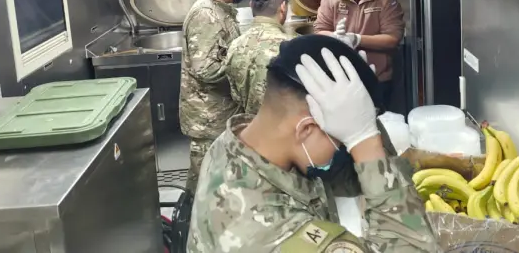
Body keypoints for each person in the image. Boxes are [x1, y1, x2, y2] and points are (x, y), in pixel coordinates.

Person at [187, 35, 439, 253]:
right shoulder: (269, 231)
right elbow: (414, 245)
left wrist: (365, 113)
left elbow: (344, 175)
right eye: (342, 140)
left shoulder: (238, 141)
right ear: (306, 129)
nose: (346, 148)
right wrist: (364, 141)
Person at [179, 0, 250, 193]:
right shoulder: (206, 16)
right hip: (208, 117)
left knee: (218, 180)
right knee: (203, 182)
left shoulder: (222, 9)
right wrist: (241, 64)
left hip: (221, 111)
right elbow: (205, 69)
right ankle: (189, 215)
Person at [314, 0, 404, 112]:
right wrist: (336, 37)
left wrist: (356, 39)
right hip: (341, 80)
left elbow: (393, 39)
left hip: (377, 78)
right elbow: (319, 31)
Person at [225, 0, 297, 116]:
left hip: (250, 125)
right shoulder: (289, 47)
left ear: (251, 5)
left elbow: (236, 96)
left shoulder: (235, 45)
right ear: (283, 6)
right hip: (284, 126)